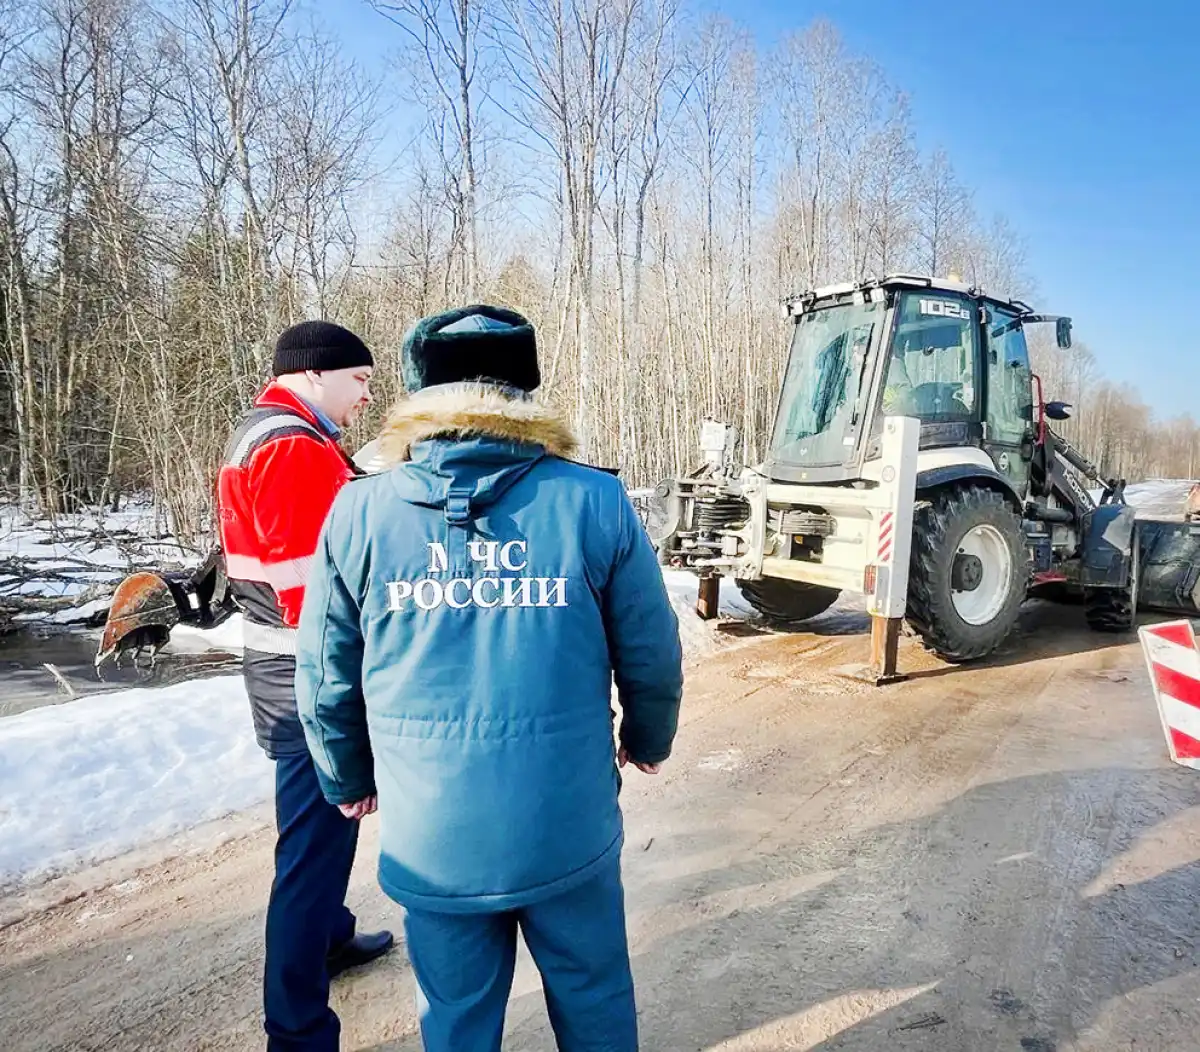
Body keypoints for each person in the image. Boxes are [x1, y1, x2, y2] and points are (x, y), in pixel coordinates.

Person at [294, 306, 684, 1051]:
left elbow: (324, 673)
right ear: (525, 394)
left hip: (431, 834)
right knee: (594, 994)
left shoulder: (360, 510)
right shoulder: (593, 500)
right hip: (566, 822)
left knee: (456, 1017)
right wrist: (648, 736)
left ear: (419, 393)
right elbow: (651, 646)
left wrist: (346, 777)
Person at [216, 320, 395, 1051]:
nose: (365, 397)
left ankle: (333, 936)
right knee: (311, 852)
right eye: (359, 380)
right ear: (317, 374)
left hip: (284, 669)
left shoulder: (267, 432)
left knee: (324, 831)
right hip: (305, 680)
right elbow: (314, 591)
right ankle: (296, 1031)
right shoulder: (292, 447)